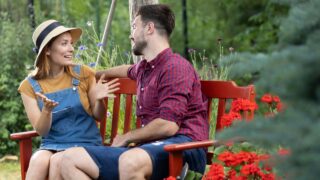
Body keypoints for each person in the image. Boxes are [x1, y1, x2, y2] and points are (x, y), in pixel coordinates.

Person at [60, 4, 209, 180]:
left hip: (183, 148)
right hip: (148, 149)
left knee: (130, 161)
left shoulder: (175, 67)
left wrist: (127, 137)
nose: (131, 34)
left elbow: (168, 125)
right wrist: (92, 75)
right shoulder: (145, 68)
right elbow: (126, 70)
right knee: (69, 159)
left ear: (149, 28)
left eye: (134, 26)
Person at [18, 19, 120, 180]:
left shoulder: (84, 73)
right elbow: (41, 131)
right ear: (48, 50)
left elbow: (99, 116)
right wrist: (46, 111)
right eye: (64, 43)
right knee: (38, 161)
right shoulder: (28, 86)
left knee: (58, 161)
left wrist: (100, 100)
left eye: (71, 43)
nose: (71, 49)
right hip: (52, 144)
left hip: (86, 144)